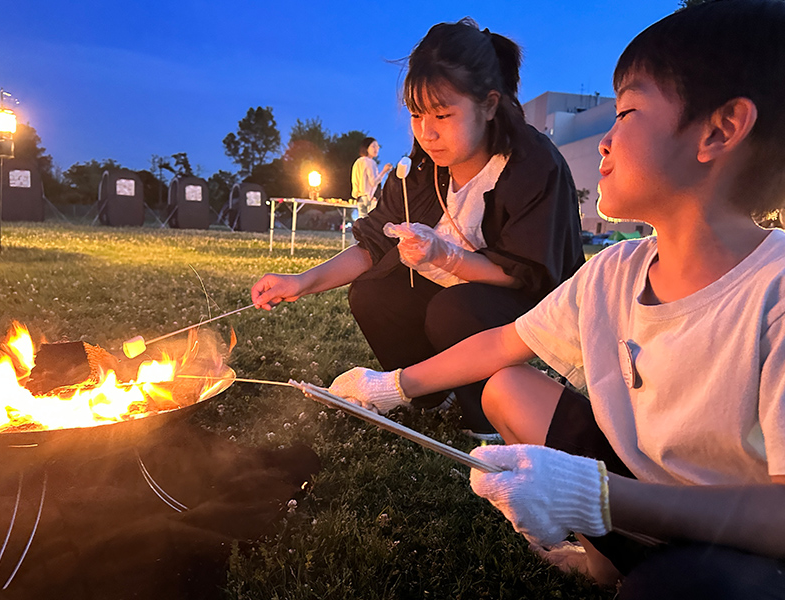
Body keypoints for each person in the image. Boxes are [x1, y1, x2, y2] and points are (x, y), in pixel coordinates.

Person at [328, 1, 785, 596]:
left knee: (686, 586)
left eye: (627, 112)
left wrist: (594, 497)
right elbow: (502, 343)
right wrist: (390, 386)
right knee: (508, 386)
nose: (605, 140)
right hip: (636, 497)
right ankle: (606, 561)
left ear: (719, 131)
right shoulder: (617, 270)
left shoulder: (772, 291)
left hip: (739, 540)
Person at [252, 19, 584, 438]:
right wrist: (301, 282)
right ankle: (430, 394)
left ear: (489, 104)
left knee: (454, 310)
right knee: (373, 292)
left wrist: (445, 257)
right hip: (455, 293)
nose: (427, 132)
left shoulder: (532, 165)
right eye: (416, 114)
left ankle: (486, 417)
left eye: (443, 114)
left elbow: (527, 271)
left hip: (524, 303)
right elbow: (374, 241)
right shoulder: (421, 168)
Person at [351, 137, 392, 217]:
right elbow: (373, 182)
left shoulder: (357, 162)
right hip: (369, 197)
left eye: (377, 147)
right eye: (373, 146)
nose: (376, 149)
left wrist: (356, 195)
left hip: (360, 197)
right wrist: (384, 171)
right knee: (371, 223)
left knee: (362, 221)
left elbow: (354, 181)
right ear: (366, 148)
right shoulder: (370, 162)